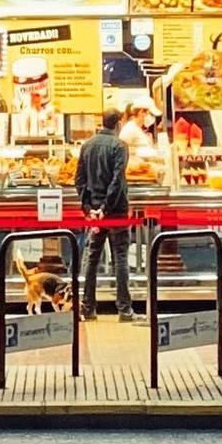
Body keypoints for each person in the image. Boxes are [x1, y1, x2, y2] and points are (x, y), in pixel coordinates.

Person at [75, 109, 135, 321]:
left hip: (94, 211)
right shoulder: (120, 146)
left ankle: (88, 307)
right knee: (120, 257)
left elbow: (79, 179)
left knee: (92, 258)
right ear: (118, 123)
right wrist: (106, 208)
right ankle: (124, 310)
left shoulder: (87, 145)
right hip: (116, 210)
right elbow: (117, 180)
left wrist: (89, 207)